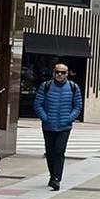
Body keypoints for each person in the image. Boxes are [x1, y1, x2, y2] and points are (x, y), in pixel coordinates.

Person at [33, 61, 83, 190]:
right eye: (57, 72)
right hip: (48, 126)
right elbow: (38, 104)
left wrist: (69, 119)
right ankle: (52, 175)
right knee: (50, 153)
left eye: (63, 72)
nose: (59, 74)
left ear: (67, 74)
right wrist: (45, 118)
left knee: (59, 151)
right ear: (53, 73)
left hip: (64, 127)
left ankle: (56, 179)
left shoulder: (73, 87)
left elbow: (77, 106)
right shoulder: (46, 86)